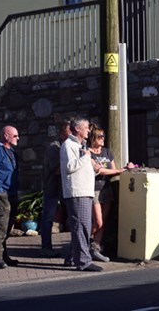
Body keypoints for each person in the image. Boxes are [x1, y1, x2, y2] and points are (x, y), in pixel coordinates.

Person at [60, 116, 103, 272]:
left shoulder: (82, 146)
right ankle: (83, 261)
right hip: (77, 192)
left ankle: (72, 257)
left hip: (85, 191)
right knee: (82, 227)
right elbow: (69, 167)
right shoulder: (68, 145)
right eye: (86, 127)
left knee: (82, 226)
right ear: (77, 129)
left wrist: (95, 168)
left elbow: (82, 167)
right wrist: (86, 157)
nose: (88, 130)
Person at [88, 124, 125, 262]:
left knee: (103, 222)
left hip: (106, 188)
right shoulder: (88, 153)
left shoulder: (107, 152)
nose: (103, 139)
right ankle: (80, 243)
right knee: (97, 221)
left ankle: (95, 248)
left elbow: (112, 169)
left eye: (103, 136)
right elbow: (99, 171)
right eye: (100, 136)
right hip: (94, 189)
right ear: (93, 138)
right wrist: (117, 171)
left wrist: (117, 171)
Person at [0, 125, 21, 269]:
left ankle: (4, 255)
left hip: (12, 193)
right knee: (1, 225)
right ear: (6, 136)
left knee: (8, 225)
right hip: (1, 194)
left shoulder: (11, 152)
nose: (18, 138)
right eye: (15, 136)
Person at [40, 119, 71, 258]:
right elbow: (57, 170)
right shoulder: (54, 147)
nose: (72, 134)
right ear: (62, 132)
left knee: (73, 217)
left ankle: (74, 249)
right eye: (69, 131)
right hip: (53, 187)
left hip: (67, 187)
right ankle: (46, 248)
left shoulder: (74, 145)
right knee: (48, 218)